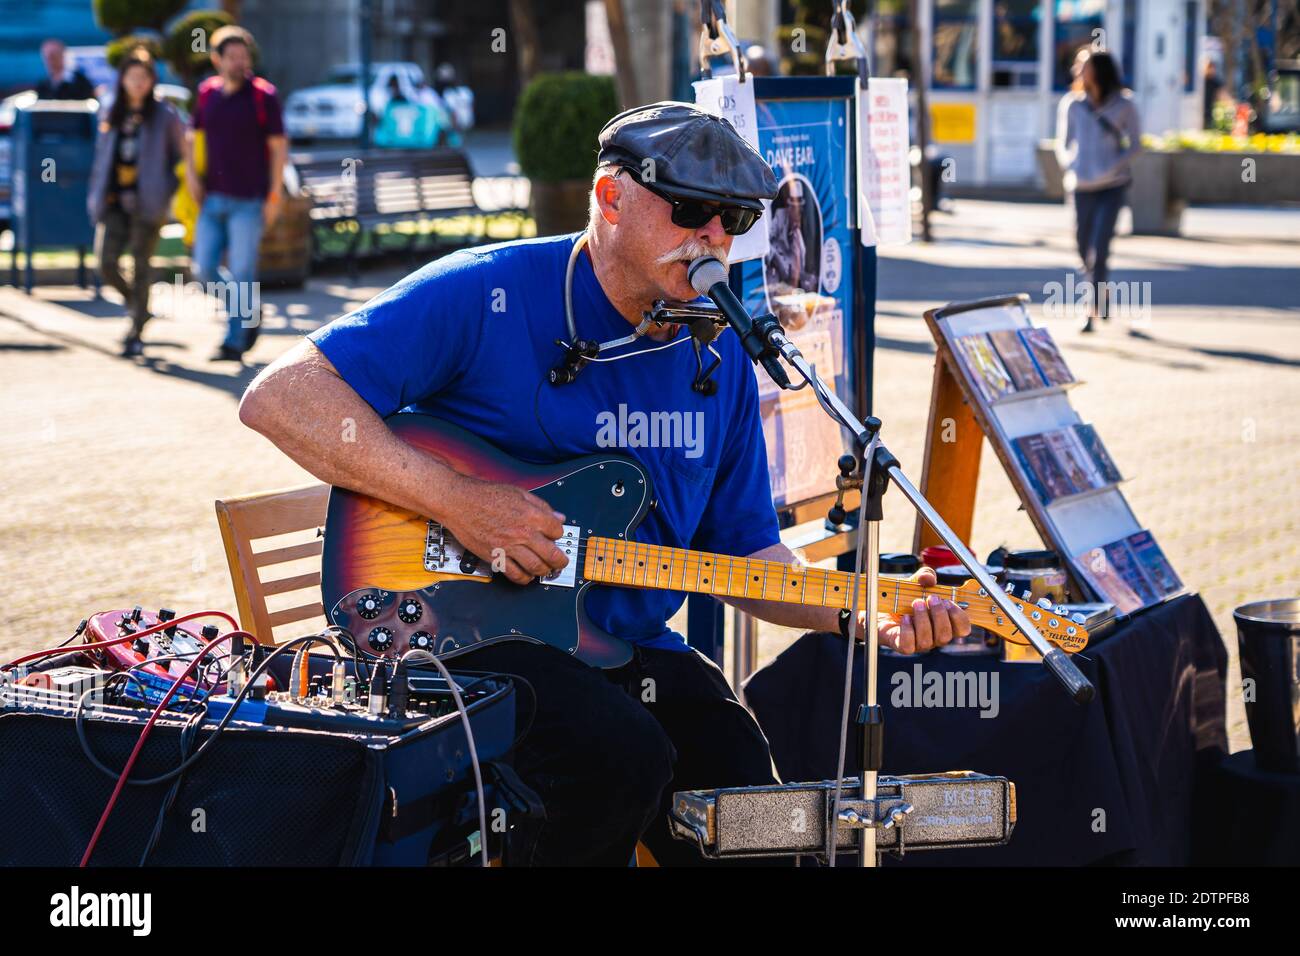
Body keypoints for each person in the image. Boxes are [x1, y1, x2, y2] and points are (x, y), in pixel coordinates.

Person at [238, 102, 970, 866]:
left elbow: (749, 554)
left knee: (753, 801)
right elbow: (283, 397)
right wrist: (459, 501)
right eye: (692, 211)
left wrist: (860, 616)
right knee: (619, 759)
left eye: (735, 219)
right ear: (610, 197)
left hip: (629, 650)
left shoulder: (718, 363)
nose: (714, 238)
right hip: (463, 637)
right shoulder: (488, 293)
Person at [185, 25, 287, 363]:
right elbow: (191, 136)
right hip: (212, 198)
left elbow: (278, 147)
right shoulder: (206, 94)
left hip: (249, 200)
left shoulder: (263, 96)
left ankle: (234, 341)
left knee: (243, 270)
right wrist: (191, 176)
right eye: (231, 57)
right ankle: (249, 311)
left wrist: (274, 195)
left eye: (243, 56)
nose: (239, 62)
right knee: (203, 270)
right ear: (217, 59)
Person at [87, 51, 184, 357]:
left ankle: (135, 332)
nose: (137, 84)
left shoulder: (165, 116)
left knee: (141, 265)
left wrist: (167, 188)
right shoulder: (110, 111)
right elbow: (102, 156)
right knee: (106, 263)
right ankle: (138, 307)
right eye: (132, 78)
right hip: (114, 199)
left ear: (152, 80)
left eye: (143, 77)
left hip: (148, 202)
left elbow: (182, 157)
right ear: (123, 80)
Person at [1054, 49, 1141, 333]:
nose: (1078, 71)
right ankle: (1100, 292)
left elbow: (1136, 144)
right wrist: (1071, 165)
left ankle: (1090, 312)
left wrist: (1114, 167)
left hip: (1112, 186)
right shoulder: (1072, 104)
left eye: (1084, 67)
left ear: (1099, 71)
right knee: (1082, 245)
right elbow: (1063, 143)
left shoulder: (1125, 104)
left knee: (1099, 248)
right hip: (1080, 185)